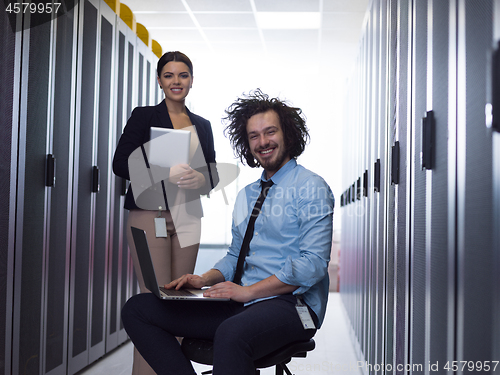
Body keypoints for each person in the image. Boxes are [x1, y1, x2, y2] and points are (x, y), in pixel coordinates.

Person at [121, 89, 334, 375]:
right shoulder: (248, 194)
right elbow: (236, 254)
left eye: (270, 132)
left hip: (293, 304)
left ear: (288, 135)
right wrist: (204, 278)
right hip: (242, 301)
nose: (262, 142)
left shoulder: (311, 187)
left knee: (231, 333)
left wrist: (248, 292)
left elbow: (313, 265)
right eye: (253, 136)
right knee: (139, 308)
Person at [113, 51, 218, 375]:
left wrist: (201, 178)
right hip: (150, 214)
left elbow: (211, 173)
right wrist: (162, 169)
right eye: (169, 75)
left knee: (180, 299)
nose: (176, 81)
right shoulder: (144, 116)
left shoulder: (202, 124)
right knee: (154, 301)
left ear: (191, 80)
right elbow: (121, 163)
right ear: (159, 80)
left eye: (183, 75)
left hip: (187, 214)